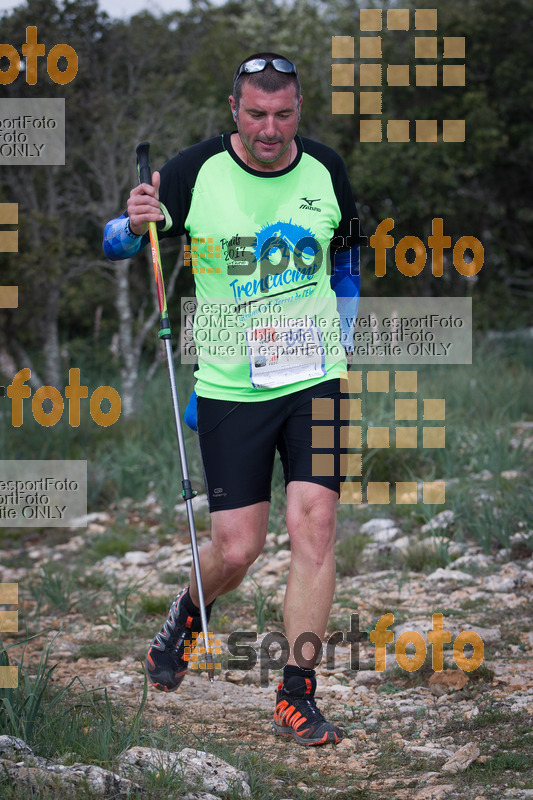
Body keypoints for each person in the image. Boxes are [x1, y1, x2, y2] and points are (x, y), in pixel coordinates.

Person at [103, 52, 363, 746]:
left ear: (298, 112)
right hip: (230, 384)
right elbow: (117, 244)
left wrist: (340, 341)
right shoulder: (193, 172)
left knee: (314, 528)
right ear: (233, 110)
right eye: (256, 114)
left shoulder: (326, 169)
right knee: (237, 548)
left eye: (282, 115)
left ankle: (295, 694)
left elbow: (346, 259)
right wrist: (131, 224)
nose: (269, 129)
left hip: (315, 380)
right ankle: (190, 613)